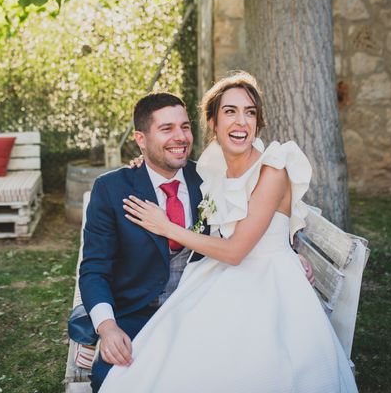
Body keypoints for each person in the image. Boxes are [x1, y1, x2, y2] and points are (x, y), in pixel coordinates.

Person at [99, 71, 358, 392]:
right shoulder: (211, 169)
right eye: (230, 111)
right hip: (223, 274)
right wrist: (146, 161)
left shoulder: (274, 167)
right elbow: (169, 161)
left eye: (250, 112)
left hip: (268, 286)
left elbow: (237, 249)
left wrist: (167, 227)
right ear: (213, 122)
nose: (241, 121)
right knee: (169, 354)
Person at [78, 92, 207, 392]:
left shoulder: (208, 178)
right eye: (167, 129)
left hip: (200, 307)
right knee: (111, 379)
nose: (181, 137)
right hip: (137, 312)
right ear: (141, 138)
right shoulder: (111, 189)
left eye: (185, 127)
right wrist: (107, 327)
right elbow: (95, 268)